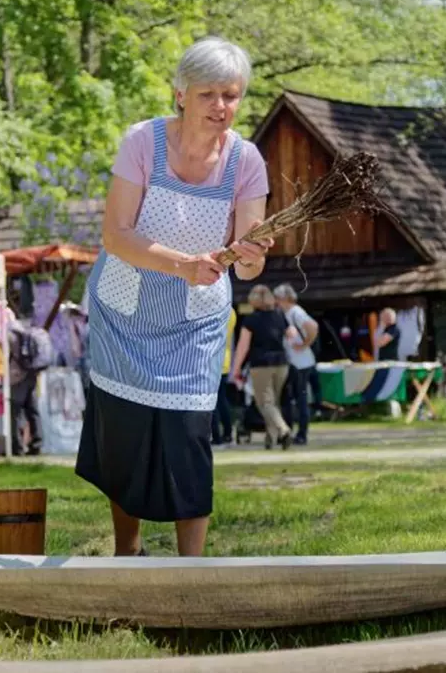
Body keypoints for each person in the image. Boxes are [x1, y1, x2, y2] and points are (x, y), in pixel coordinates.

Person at [75, 36, 271, 557]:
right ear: (180, 93)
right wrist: (184, 264)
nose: (222, 107)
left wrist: (251, 255)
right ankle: (128, 551)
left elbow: (250, 261)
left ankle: (192, 571)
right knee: (125, 434)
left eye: (232, 95)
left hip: (195, 323)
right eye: (209, 94)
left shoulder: (246, 161)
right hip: (125, 313)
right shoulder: (143, 142)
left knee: (189, 435)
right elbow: (116, 235)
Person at [230, 285, 295, 450]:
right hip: (281, 363)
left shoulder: (251, 319)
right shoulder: (280, 315)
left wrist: (236, 368)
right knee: (274, 402)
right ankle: (270, 439)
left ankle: (283, 430)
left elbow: (243, 347)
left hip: (261, 364)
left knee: (264, 402)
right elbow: (292, 334)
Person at [274, 284, 318, 445]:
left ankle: (302, 434)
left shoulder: (295, 312)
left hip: (301, 363)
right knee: (291, 397)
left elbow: (313, 327)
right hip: (295, 362)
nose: (276, 302)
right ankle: (291, 432)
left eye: (277, 299)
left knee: (300, 398)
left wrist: (305, 344)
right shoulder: (288, 313)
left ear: (284, 299)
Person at [9, 307, 51, 456]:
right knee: (33, 409)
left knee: (14, 412)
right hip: (32, 374)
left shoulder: (10, 335)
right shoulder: (29, 331)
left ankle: (17, 447)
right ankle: (37, 443)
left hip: (16, 376)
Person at [212, 306, 237, 446]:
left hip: (212, 359)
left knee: (213, 401)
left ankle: (216, 436)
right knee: (222, 400)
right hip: (225, 359)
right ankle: (227, 433)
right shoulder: (231, 311)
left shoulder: (217, 310)